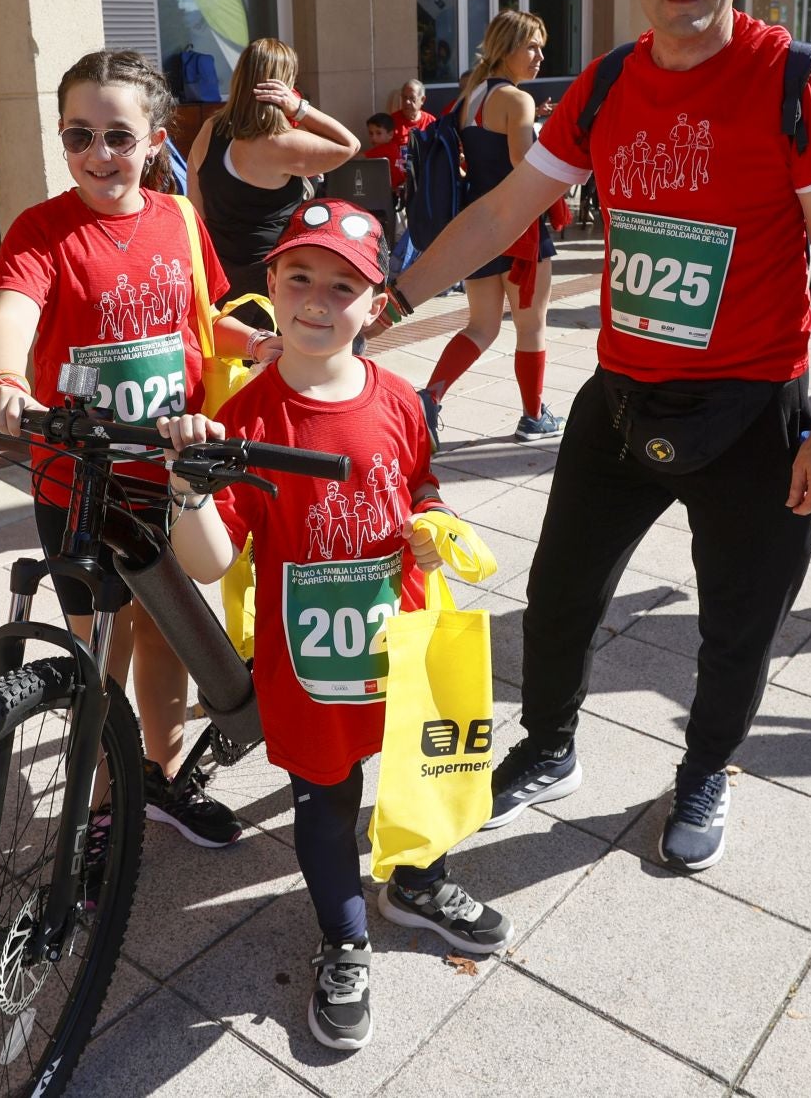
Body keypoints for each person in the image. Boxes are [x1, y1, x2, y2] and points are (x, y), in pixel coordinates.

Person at [375, 0, 811, 874]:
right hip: (621, 399)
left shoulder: (794, 80)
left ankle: (703, 773)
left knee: (738, 625)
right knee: (560, 594)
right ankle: (549, 746)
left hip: (751, 409)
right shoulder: (606, 82)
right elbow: (505, 211)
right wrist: (388, 301)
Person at [159, 198, 513, 1053]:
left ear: (376, 301)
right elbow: (207, 561)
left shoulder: (400, 399)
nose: (318, 299)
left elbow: (421, 486)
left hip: (406, 640)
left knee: (421, 777)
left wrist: (433, 525)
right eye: (300, 277)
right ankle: (344, 936)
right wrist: (187, 485)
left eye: (343, 284)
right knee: (326, 799)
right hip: (309, 658)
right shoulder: (246, 419)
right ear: (272, 284)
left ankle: (417, 882)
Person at [0, 49, 271, 849]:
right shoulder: (42, 230)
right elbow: (12, 310)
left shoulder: (178, 218)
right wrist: (2, 375)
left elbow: (203, 320)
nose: (100, 154)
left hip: (168, 475)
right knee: (101, 640)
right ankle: (110, 796)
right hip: (80, 482)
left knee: (168, 632)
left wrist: (265, 343)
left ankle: (161, 780)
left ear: (156, 138)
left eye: (119, 135)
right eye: (79, 136)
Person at [414, 10, 566, 444]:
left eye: (542, 47)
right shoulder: (516, 100)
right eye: (532, 46)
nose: (540, 56)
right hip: (520, 225)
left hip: (477, 226)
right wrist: (550, 137)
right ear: (507, 48)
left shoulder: (470, 96)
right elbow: (525, 165)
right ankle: (534, 417)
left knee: (481, 325)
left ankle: (431, 397)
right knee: (531, 325)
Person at [188, 37, 358, 324]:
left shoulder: (210, 129)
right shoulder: (282, 144)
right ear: (283, 85)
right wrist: (299, 109)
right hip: (270, 280)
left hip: (222, 273)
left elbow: (197, 209)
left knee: (238, 360)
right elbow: (349, 145)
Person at [389, 79, 435, 152]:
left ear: (422, 100)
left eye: (412, 98)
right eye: (405, 97)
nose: (407, 102)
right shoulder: (392, 121)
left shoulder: (431, 122)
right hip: (400, 162)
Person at [363, 112, 405, 189]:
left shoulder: (385, 149)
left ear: (390, 135)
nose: (373, 137)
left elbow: (360, 157)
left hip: (393, 191)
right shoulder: (394, 146)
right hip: (400, 187)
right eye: (371, 133)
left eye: (378, 133)